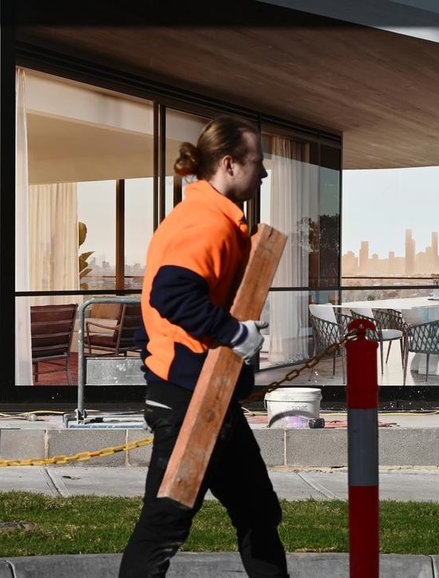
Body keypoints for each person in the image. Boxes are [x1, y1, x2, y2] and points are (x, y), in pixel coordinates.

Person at [119, 116, 289, 577]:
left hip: (209, 396)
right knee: (163, 527)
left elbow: (153, 314)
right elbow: (169, 295)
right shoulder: (205, 221)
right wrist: (235, 334)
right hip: (190, 403)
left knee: (258, 513)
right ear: (230, 164)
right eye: (258, 163)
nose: (265, 174)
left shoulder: (213, 218)